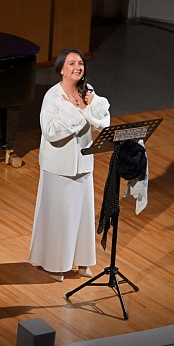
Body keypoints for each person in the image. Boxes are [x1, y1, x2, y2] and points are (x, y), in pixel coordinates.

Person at [28, 48, 111, 282]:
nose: (77, 67)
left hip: (83, 163)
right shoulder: (53, 97)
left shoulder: (88, 91)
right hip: (58, 166)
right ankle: (55, 263)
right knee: (59, 217)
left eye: (80, 63)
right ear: (62, 69)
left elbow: (102, 123)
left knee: (82, 216)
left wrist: (84, 108)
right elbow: (51, 132)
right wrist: (72, 112)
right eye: (72, 63)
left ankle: (82, 260)